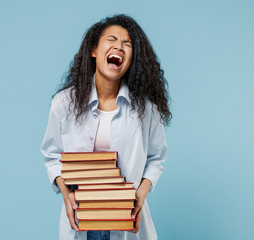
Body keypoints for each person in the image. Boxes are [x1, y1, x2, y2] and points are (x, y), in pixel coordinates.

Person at [41, 14, 172, 240]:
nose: (119, 47)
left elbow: (156, 157)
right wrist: (66, 193)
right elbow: (52, 155)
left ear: (132, 58)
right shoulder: (64, 103)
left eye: (127, 44)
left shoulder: (146, 108)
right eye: (112, 39)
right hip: (81, 223)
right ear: (94, 50)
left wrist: (141, 194)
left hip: (126, 223)